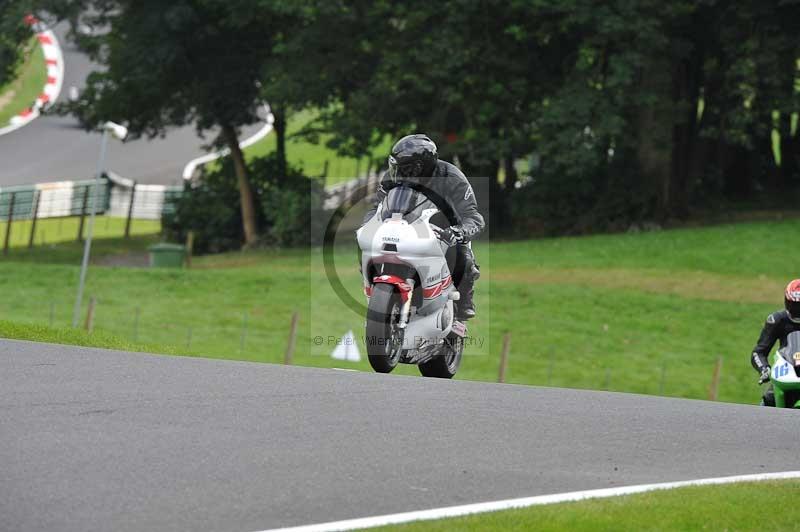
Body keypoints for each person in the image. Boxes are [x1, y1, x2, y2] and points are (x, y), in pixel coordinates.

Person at [362, 134, 484, 319]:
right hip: (406, 227)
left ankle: (463, 302)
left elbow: (473, 217)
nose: (396, 172)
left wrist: (460, 231)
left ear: (418, 167)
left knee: (464, 259)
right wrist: (367, 227)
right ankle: (379, 288)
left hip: (445, 231)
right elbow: (376, 207)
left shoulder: (451, 177)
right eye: (394, 166)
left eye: (402, 167)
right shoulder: (393, 177)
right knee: (370, 247)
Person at [750, 279, 800, 406]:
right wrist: (764, 369)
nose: (798, 310)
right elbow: (759, 352)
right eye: (794, 305)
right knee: (767, 401)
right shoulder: (777, 320)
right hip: (788, 371)